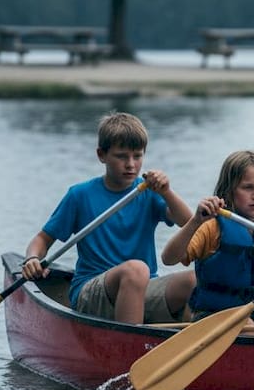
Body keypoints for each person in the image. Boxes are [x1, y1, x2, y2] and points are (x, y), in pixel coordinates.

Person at [20, 112, 195, 324]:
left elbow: (189, 223)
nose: (131, 164)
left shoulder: (149, 193)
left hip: (142, 287)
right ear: (101, 155)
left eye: (137, 156)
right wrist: (32, 259)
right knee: (136, 270)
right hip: (91, 291)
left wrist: (166, 191)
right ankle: (129, 346)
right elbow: (42, 240)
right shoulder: (79, 195)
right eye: (121, 156)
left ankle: (190, 347)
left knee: (193, 280)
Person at [161, 150, 254, 324]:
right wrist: (195, 221)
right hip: (213, 319)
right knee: (245, 323)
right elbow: (169, 259)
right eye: (248, 187)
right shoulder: (212, 227)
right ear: (229, 190)